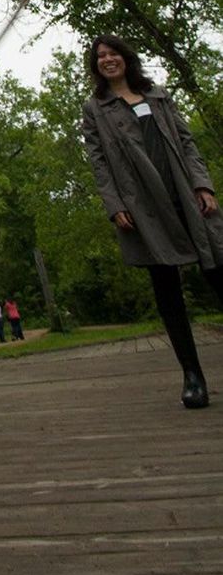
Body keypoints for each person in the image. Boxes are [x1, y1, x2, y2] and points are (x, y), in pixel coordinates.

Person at [82, 34, 223, 409]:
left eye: (113, 53)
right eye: (100, 56)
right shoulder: (96, 108)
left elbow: (188, 142)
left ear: (127, 58)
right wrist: (114, 205)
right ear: (96, 66)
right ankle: (193, 377)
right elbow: (98, 162)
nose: (108, 60)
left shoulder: (157, 96)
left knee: (218, 272)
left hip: (186, 197)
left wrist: (203, 185)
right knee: (168, 291)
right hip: (143, 205)